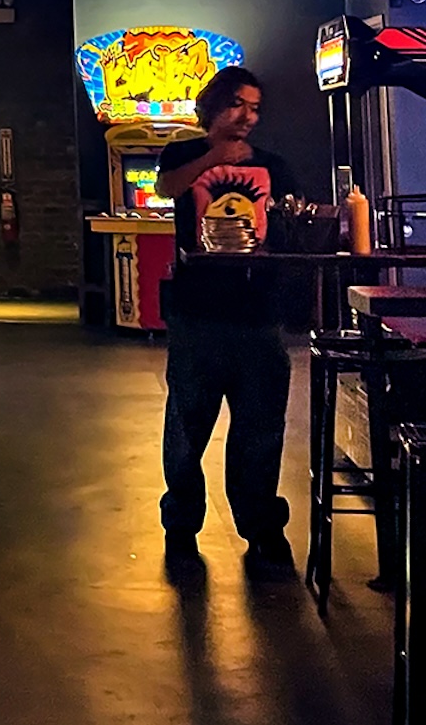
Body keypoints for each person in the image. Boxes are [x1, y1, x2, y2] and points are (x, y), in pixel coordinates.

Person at [156, 65, 300, 577]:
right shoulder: (181, 154)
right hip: (197, 314)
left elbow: (292, 218)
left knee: (260, 430)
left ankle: (262, 527)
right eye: (239, 104)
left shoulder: (274, 166)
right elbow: (168, 187)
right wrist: (217, 157)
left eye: (256, 107)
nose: (248, 116)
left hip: (259, 313)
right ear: (215, 105)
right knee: (186, 429)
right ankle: (181, 527)